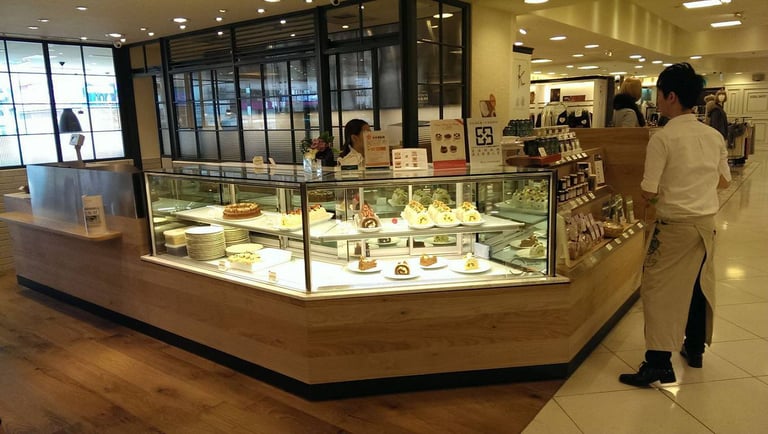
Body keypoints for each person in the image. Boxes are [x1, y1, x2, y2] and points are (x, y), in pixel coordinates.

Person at [619, 63, 731, 388]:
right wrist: (698, 187)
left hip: (674, 226)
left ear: (671, 96)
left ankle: (658, 364)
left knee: (658, 291)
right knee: (697, 286)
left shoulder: (663, 138)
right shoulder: (713, 136)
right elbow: (724, 181)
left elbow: (648, 190)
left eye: (658, 94)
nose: (656, 100)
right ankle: (694, 349)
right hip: (705, 225)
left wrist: (662, 197)